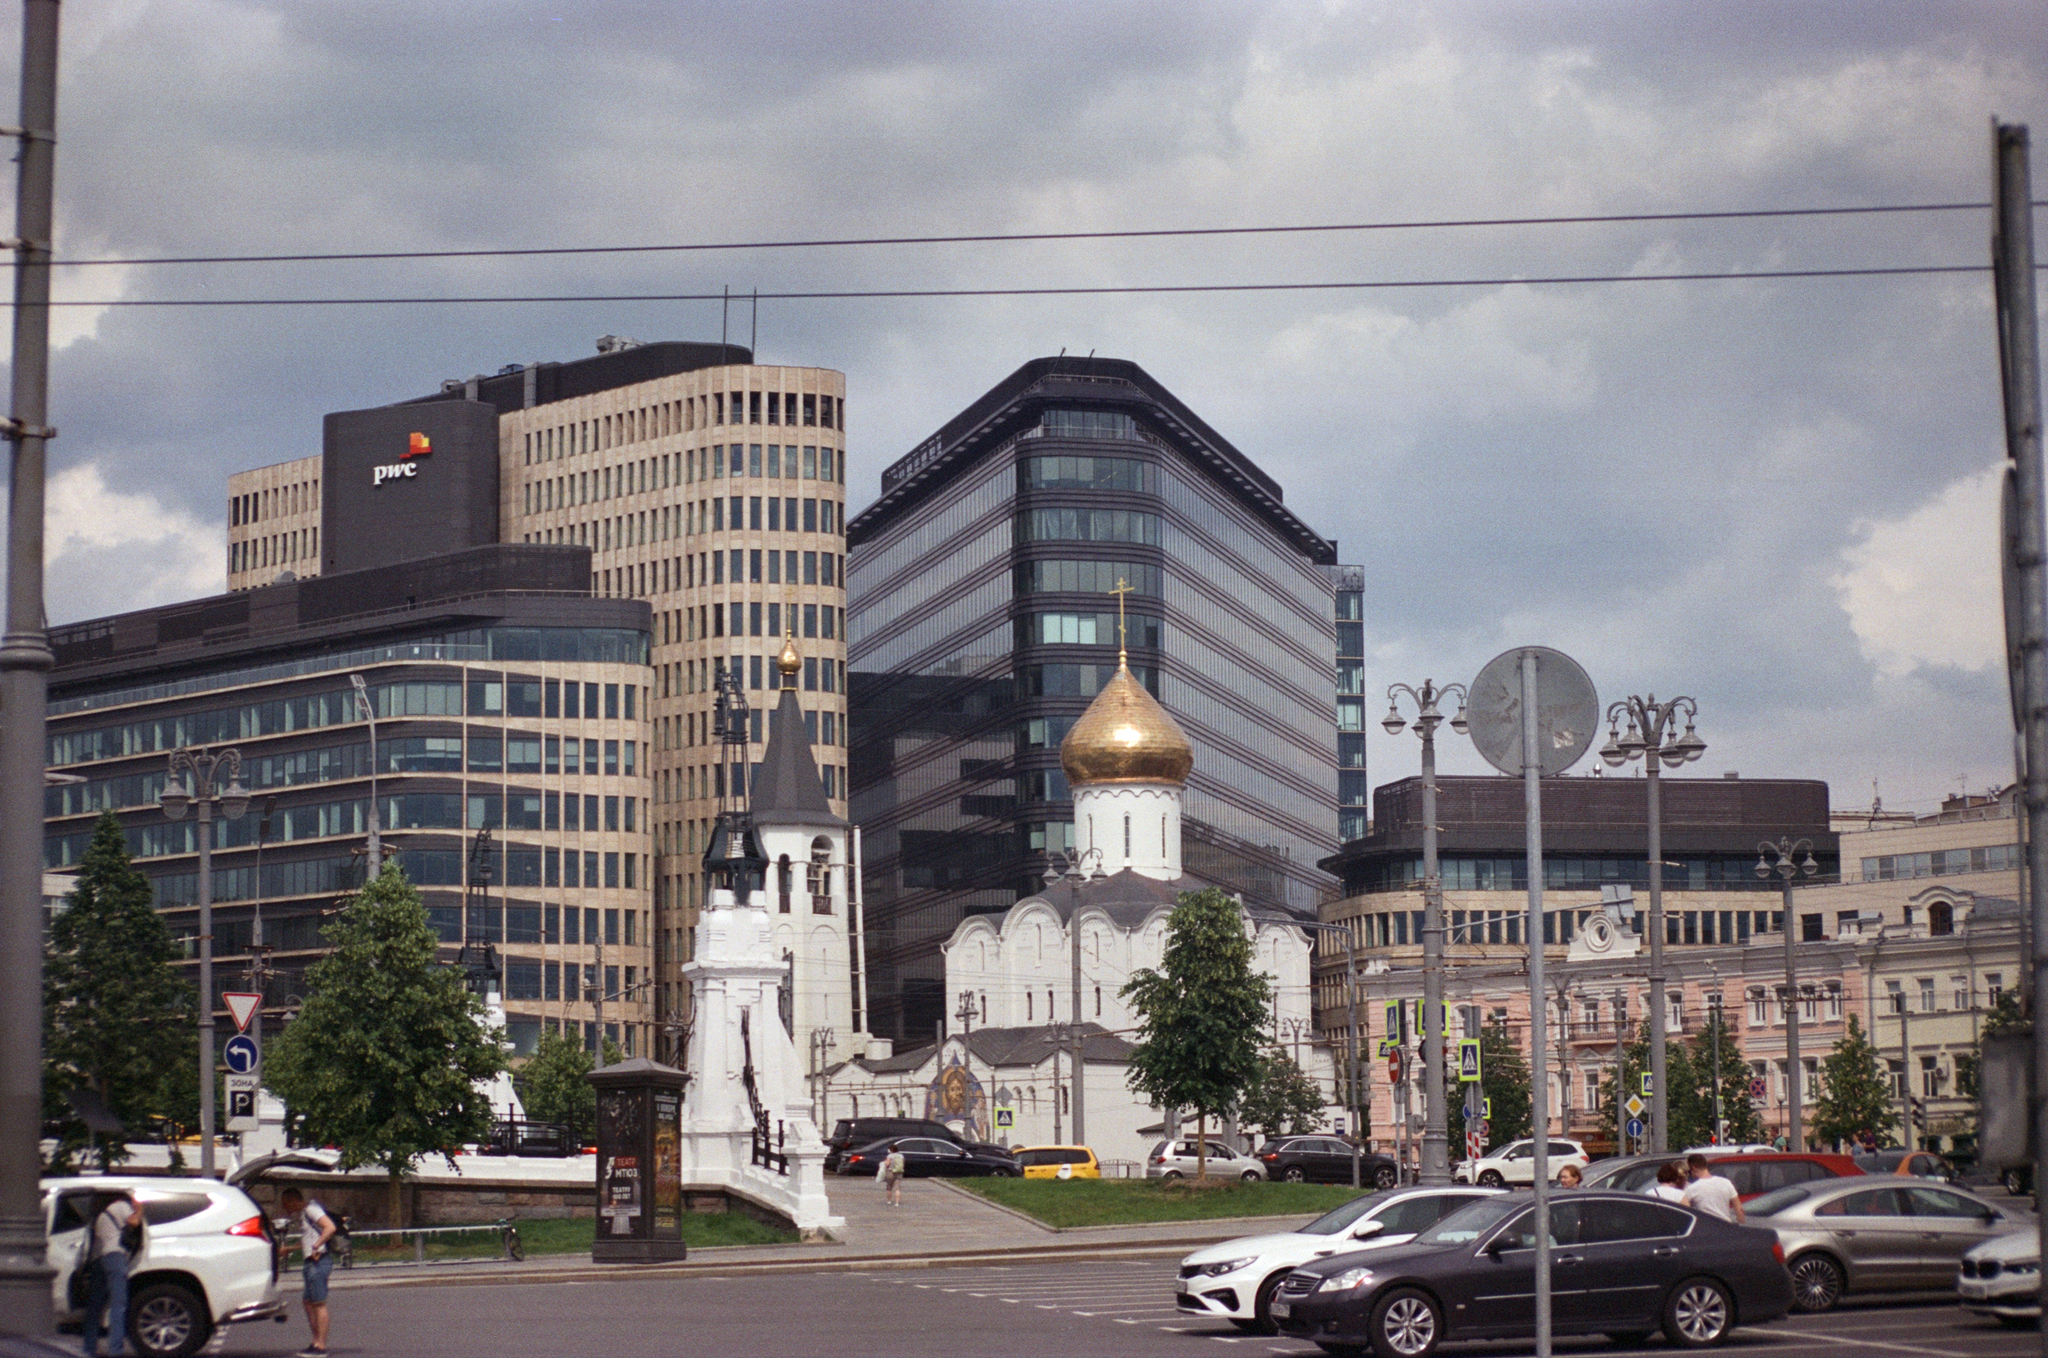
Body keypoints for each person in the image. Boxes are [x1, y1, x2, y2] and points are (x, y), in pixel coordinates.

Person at [83, 1189, 142, 1358]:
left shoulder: (100, 1217)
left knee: (95, 1307)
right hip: (115, 1257)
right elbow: (134, 1222)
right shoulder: (121, 1206)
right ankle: (115, 1350)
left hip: (100, 1260)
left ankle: (89, 1348)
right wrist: (139, 1209)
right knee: (119, 1304)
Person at [280, 1187, 336, 1358]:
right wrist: (291, 1248)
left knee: (319, 1303)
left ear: (292, 1200)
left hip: (318, 1261)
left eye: (285, 1204)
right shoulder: (306, 1212)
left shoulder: (312, 1209)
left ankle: (321, 1347)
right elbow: (309, 1237)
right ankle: (315, 1341)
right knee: (308, 1302)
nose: (285, 1209)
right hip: (310, 1262)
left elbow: (330, 1227)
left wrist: (316, 1246)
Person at [1680, 1153, 1744, 1223]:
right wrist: (1741, 1226)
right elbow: (1738, 1208)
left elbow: (1682, 1208)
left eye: (1689, 1171)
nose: (1690, 1174)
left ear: (1694, 1168)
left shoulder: (1692, 1188)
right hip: (1726, 1226)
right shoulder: (1726, 1182)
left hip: (1707, 1227)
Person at [880, 1143, 906, 1207]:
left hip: (890, 1172)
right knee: (897, 1188)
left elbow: (887, 1164)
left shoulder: (890, 1156)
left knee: (889, 1186)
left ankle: (889, 1201)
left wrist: (885, 1162)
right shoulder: (901, 1156)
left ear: (890, 1150)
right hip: (899, 1172)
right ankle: (897, 1203)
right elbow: (903, 1164)